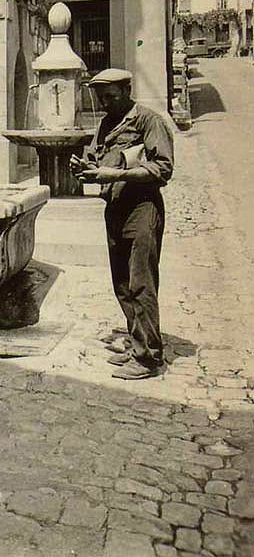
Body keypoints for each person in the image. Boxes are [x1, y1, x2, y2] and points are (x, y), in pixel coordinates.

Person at [70, 68, 174, 380]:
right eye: (102, 98)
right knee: (123, 283)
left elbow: (163, 168)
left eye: (112, 97)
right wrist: (87, 167)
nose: (105, 103)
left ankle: (148, 359)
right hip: (115, 208)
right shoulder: (106, 123)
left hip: (142, 208)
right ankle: (137, 342)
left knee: (142, 282)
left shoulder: (148, 120)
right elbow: (100, 160)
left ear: (128, 90)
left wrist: (114, 174)